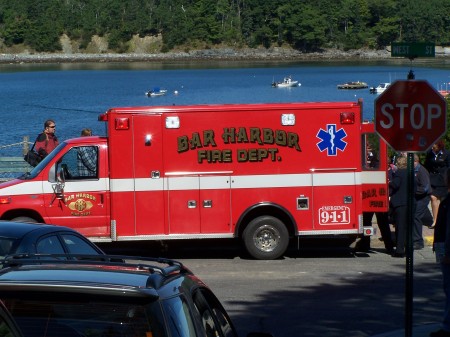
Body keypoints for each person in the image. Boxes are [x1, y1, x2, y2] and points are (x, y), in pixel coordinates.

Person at [430, 168, 450, 337]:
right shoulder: (447, 201)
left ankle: (447, 327)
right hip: (444, 248)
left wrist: (447, 253)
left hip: (448, 252)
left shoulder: (448, 202)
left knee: (449, 289)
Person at [425, 140, 450, 228]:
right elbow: (427, 165)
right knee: (433, 197)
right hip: (433, 179)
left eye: (434, 145)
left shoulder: (446, 153)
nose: (432, 147)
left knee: (443, 200)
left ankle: (443, 220)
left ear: (439, 146)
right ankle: (435, 220)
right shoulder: (429, 153)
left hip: (443, 179)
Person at [389, 156, 410, 257]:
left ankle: (399, 250)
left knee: (400, 227)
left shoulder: (399, 173)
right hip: (409, 202)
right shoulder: (411, 173)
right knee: (407, 227)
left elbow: (396, 185)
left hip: (400, 203)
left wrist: (389, 183)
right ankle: (408, 248)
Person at [413, 154, 432, 250]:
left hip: (423, 198)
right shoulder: (414, 170)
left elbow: (425, 188)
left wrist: (413, 191)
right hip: (417, 197)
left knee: (416, 216)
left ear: (415, 161)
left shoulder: (421, 171)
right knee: (415, 216)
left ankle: (418, 242)